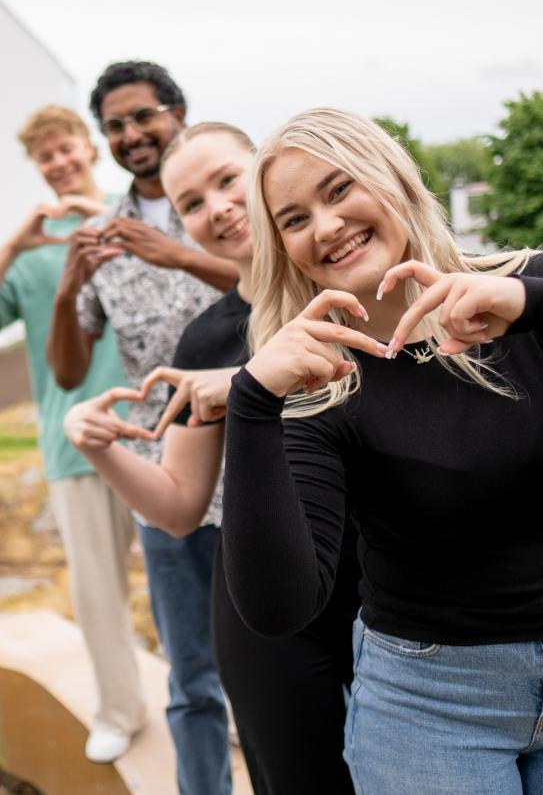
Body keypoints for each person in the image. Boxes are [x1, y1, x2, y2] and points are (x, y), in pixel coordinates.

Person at [220, 107, 543, 794]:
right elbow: (277, 607)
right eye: (293, 219)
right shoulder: (316, 384)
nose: (324, 226)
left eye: (338, 189)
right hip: (433, 704)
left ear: (393, 180)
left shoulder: (536, 286)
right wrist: (252, 404)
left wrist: (536, 303)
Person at [63, 121, 360, 794]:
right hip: (266, 599)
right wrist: (100, 446)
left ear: (261, 174)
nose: (218, 207)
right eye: (191, 204)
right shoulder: (206, 337)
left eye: (227, 180)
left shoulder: (350, 282)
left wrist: (248, 386)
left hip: (393, 586)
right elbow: (177, 506)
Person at [48, 63, 236, 795]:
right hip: (166, 484)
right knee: (191, 677)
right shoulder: (99, 235)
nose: (131, 135)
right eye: (115, 126)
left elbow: (278, 294)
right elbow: (67, 372)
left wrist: (180, 254)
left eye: (143, 117)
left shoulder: (233, 207)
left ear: (178, 113)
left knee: (295, 662)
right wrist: (68, 291)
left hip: (260, 468)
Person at [0, 105, 145, 763]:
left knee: (200, 586)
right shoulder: (30, 249)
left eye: (65, 149)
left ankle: (221, 706)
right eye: (45, 157)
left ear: (87, 148)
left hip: (155, 430)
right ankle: (121, 710)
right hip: (70, 443)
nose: (59, 163)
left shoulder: (135, 213)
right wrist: (13, 247)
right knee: (95, 593)